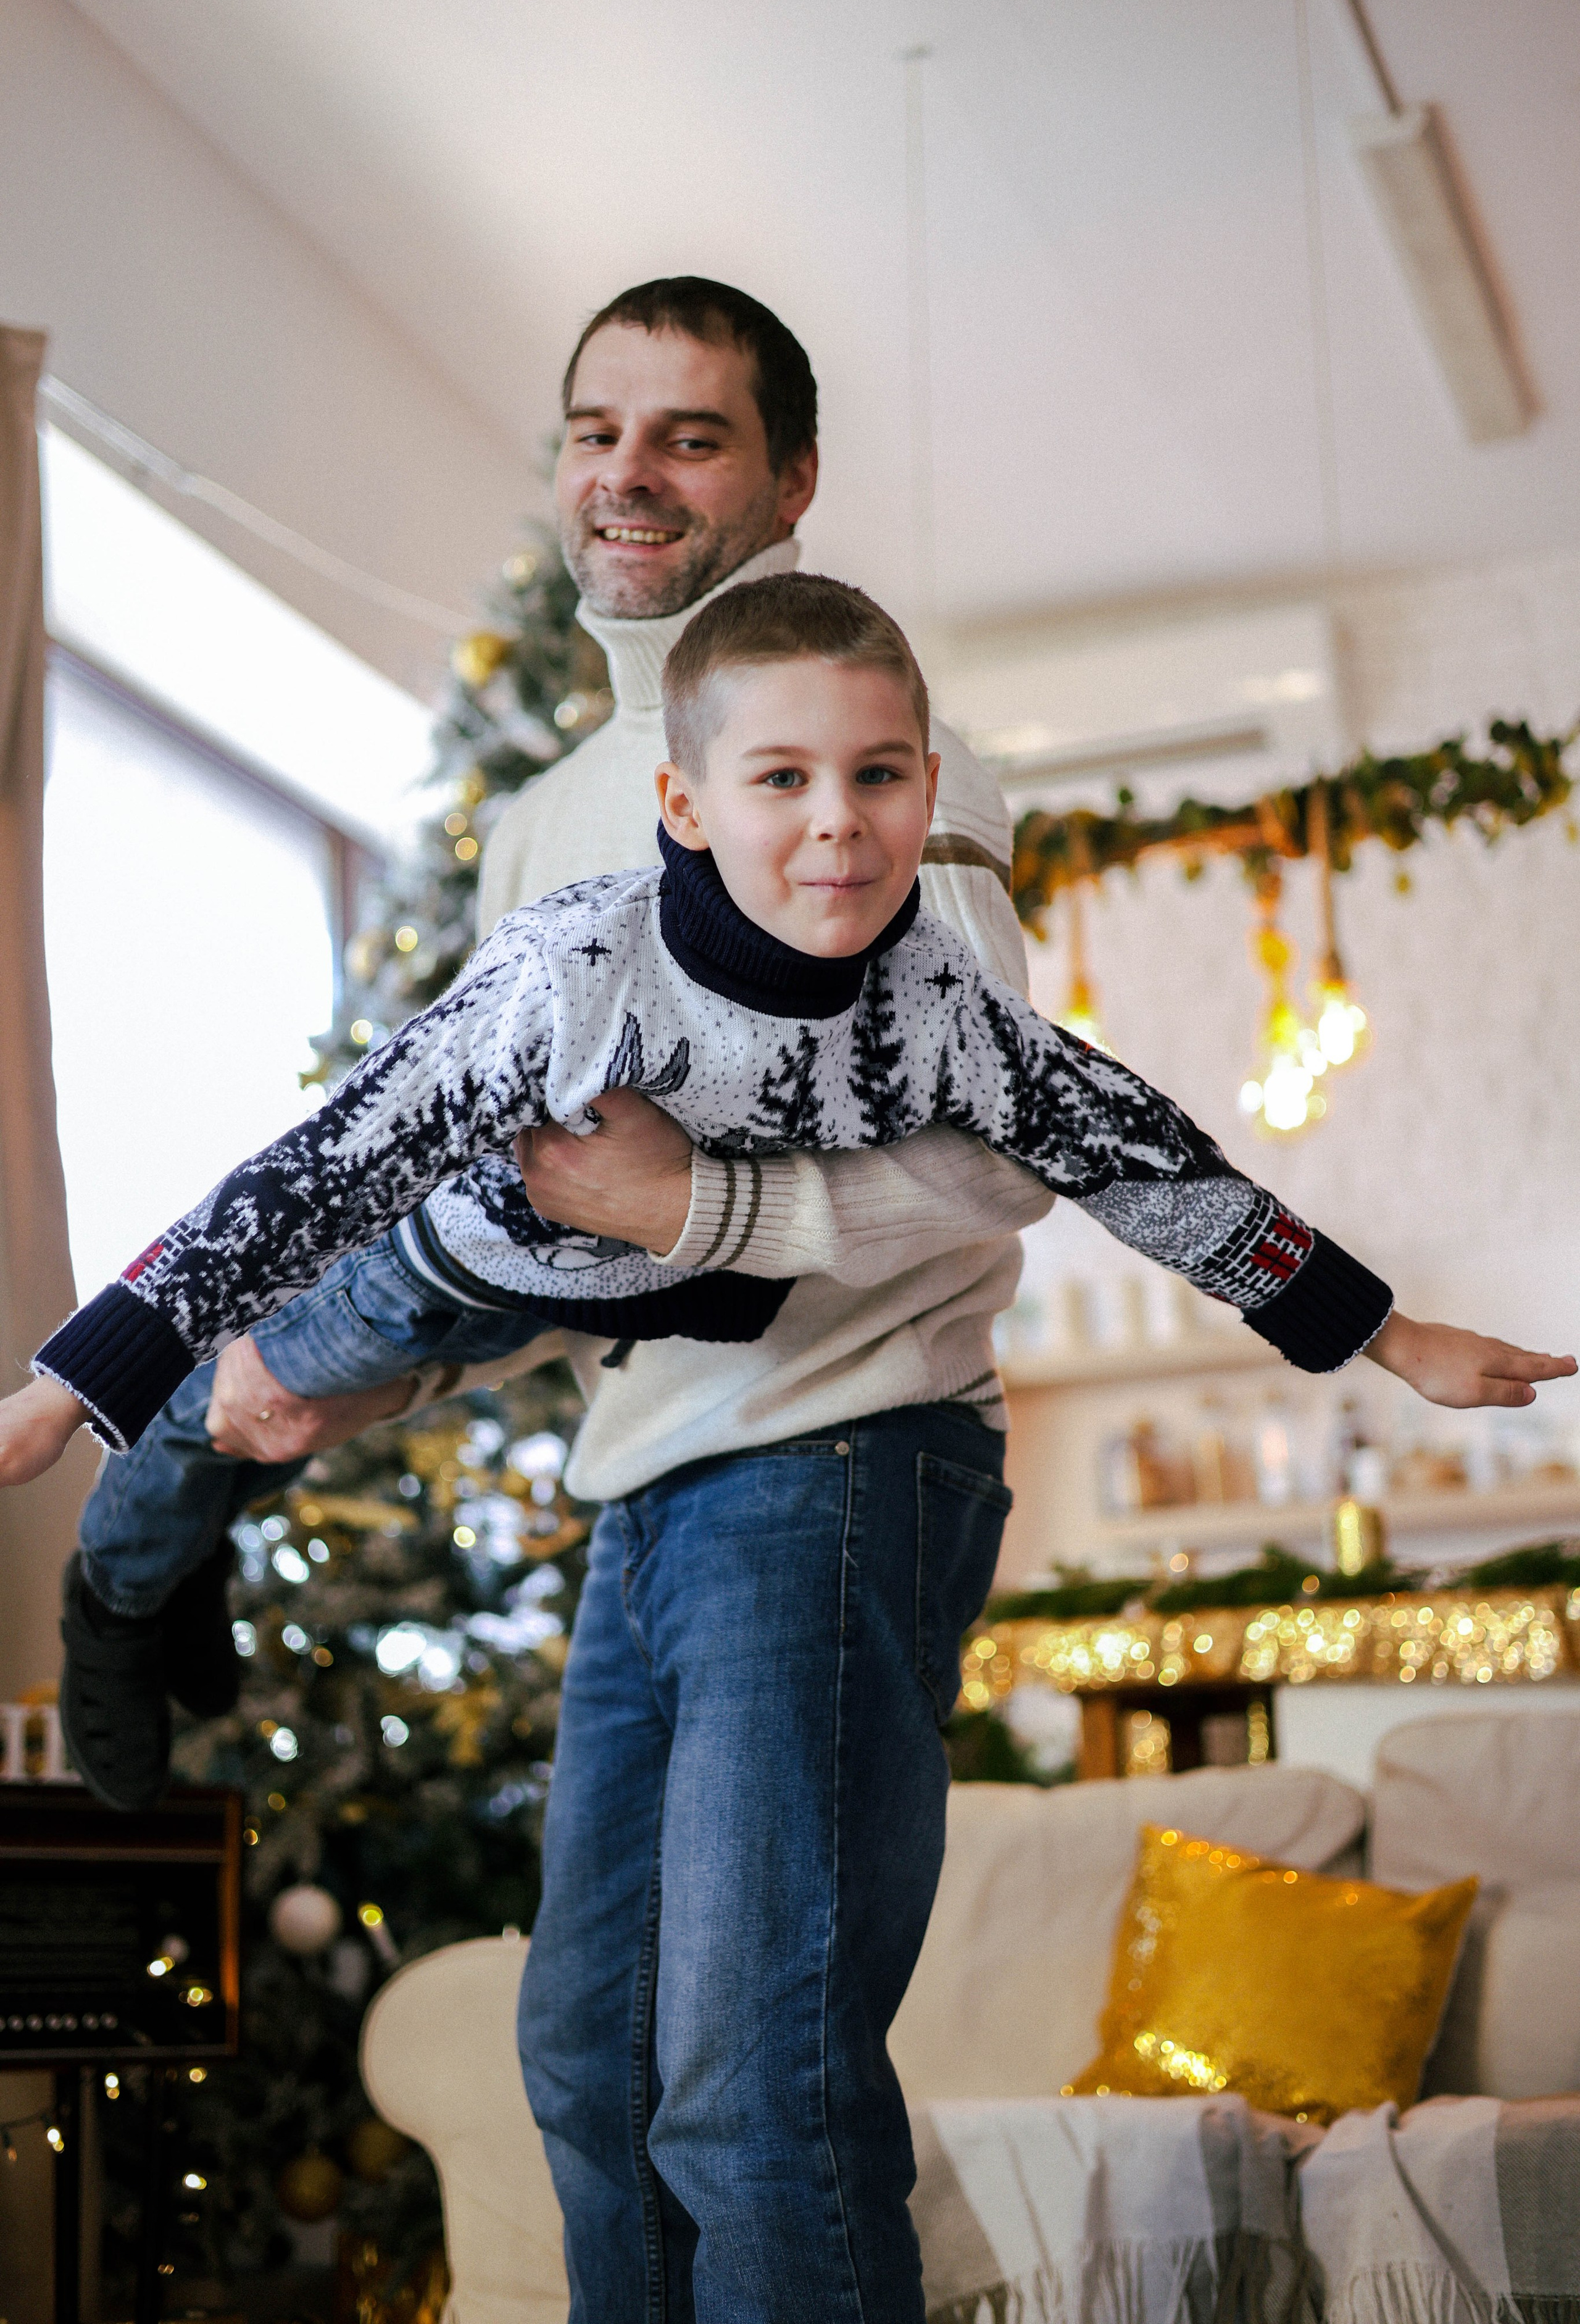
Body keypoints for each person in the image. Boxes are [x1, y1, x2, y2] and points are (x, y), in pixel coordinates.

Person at [10, 281, 1568, 2324]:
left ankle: (154, 1528)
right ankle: (137, 1561)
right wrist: (108, 1372)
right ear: (685, 801)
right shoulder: (558, 861)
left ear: (792, 480)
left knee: (751, 2092)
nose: (632, 475)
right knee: (585, 2051)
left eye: (694, 435)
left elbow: (1086, 1150)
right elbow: (348, 1163)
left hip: (823, 1462)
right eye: (599, 430)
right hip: (615, 1413)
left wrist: (1379, 1330)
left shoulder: (893, 801)